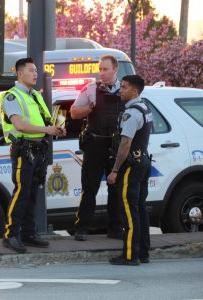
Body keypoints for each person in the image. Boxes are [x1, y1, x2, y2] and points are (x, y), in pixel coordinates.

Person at [0, 57, 66, 253]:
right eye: (31, 70)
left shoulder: (35, 95)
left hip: (38, 151)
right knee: (21, 193)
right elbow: (19, 125)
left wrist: (56, 128)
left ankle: (29, 233)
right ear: (20, 74)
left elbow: (47, 120)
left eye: (36, 70)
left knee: (32, 194)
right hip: (24, 151)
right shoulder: (12, 97)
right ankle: (11, 235)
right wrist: (47, 129)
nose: (35, 73)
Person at [70, 55, 124, 241]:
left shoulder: (125, 90)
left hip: (116, 146)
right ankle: (82, 228)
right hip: (95, 145)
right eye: (100, 69)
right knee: (89, 188)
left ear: (115, 69)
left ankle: (115, 228)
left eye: (105, 69)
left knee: (115, 189)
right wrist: (89, 108)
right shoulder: (90, 89)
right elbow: (74, 113)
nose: (102, 73)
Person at [107, 75, 152, 266]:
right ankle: (142, 252)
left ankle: (130, 255)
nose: (120, 90)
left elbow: (125, 144)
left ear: (134, 91)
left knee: (129, 210)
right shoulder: (145, 108)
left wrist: (115, 170)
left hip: (131, 167)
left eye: (124, 87)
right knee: (139, 208)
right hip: (142, 162)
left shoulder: (132, 113)